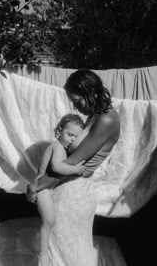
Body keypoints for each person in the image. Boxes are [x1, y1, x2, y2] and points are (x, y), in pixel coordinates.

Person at [27, 69, 120, 266]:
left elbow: (73, 162)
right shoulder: (96, 115)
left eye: (77, 100)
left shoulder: (106, 119)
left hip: (75, 193)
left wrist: (36, 185)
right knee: (62, 252)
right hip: (67, 187)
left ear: (90, 91)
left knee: (73, 255)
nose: (75, 107)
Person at [30, 114, 86, 266]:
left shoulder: (61, 148)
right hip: (42, 190)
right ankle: (43, 256)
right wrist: (76, 169)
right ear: (59, 131)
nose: (72, 139)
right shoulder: (57, 147)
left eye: (76, 137)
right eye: (70, 134)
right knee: (48, 221)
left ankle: (45, 252)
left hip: (47, 189)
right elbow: (57, 167)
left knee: (50, 221)